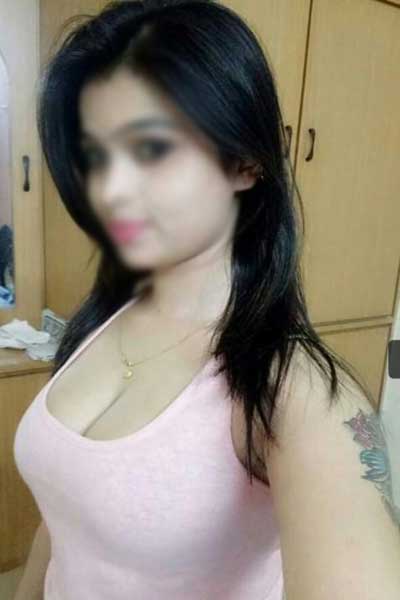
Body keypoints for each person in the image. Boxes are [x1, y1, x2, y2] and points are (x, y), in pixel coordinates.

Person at [14, 1, 400, 599]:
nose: (110, 190)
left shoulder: (295, 393)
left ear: (246, 161)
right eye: (95, 156)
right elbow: (63, 520)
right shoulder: (102, 318)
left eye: (152, 148)